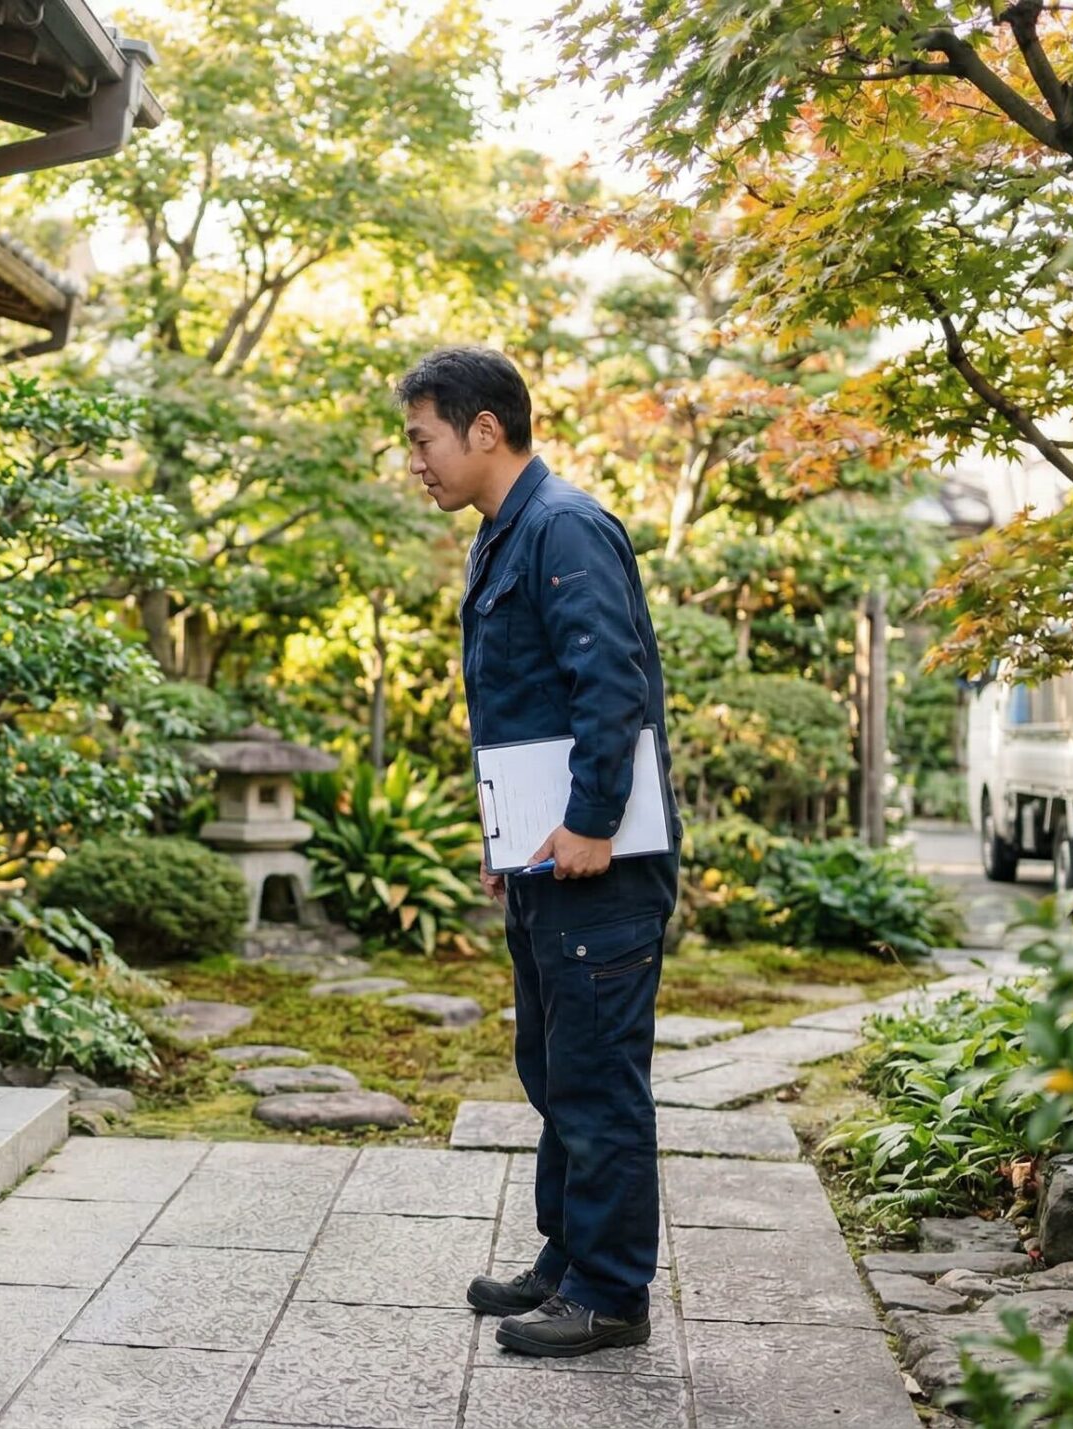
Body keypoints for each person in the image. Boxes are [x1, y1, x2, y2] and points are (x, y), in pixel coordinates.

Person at [399, 346, 680, 1356]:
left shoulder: (563, 527)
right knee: (557, 1071)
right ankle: (568, 1257)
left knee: (597, 1079)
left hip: (600, 864)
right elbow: (527, 708)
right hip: (548, 859)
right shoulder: (504, 534)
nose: (415, 463)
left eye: (422, 440)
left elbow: (610, 685)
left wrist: (592, 820)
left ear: (485, 429)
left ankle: (610, 1293)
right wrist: (508, 839)